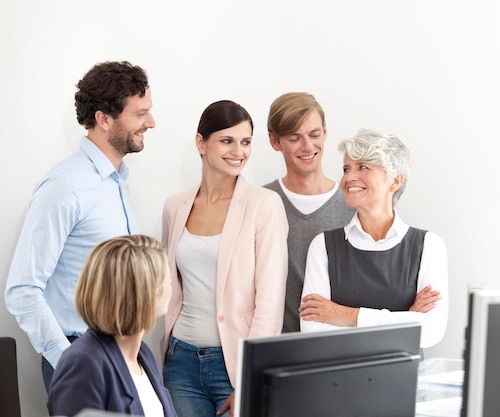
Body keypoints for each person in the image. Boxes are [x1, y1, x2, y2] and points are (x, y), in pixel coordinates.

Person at [4, 60, 155, 392]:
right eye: (140, 114)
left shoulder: (117, 181)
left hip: (121, 355)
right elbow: (22, 290)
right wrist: (71, 361)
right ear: (103, 119)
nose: (151, 122)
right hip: (83, 354)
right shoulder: (66, 185)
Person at [161, 100, 288, 417]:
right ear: (201, 143)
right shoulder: (175, 206)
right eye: (227, 141)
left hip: (232, 364)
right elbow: (167, 287)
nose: (239, 151)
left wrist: (250, 377)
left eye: (245, 142)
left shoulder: (264, 205)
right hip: (180, 360)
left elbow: (270, 301)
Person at [299, 128, 448, 349]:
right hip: (340, 381)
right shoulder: (323, 246)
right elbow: (313, 330)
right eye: (346, 168)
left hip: (402, 381)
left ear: (395, 181)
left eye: (363, 167)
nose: (349, 177)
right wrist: (406, 318)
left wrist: (343, 315)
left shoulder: (428, 246)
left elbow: (430, 332)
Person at [47, 234, 177, 417]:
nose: (171, 288)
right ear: (146, 295)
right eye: (168, 281)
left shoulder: (143, 354)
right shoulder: (83, 363)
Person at [264, 92, 356, 333]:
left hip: (340, 350)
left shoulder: (354, 204)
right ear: (274, 141)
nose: (307, 146)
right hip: (280, 352)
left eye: (314, 134)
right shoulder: (262, 203)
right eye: (294, 138)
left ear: (325, 131)